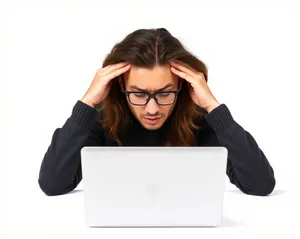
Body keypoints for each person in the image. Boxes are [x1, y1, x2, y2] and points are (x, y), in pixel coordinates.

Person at [38, 28, 275, 197]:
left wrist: (214, 107)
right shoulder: (102, 116)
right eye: (139, 94)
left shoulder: (198, 120)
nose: (152, 109)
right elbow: (52, 184)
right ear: (121, 86)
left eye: (164, 93)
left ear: (182, 85)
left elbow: (260, 185)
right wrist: (87, 102)